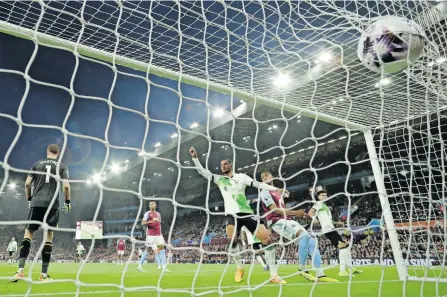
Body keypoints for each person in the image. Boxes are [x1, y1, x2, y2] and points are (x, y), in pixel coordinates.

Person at [189, 147, 286, 284]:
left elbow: (258, 184)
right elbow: (202, 172)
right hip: (231, 214)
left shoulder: (242, 177)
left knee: (267, 239)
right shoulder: (219, 179)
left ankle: (274, 275)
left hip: (247, 213)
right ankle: (240, 268)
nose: (223, 166)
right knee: (232, 240)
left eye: (225, 164)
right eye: (221, 165)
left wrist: (276, 189)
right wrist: (195, 158)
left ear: (231, 164)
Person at [260, 170, 338, 282]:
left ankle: (320, 274)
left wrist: (301, 215)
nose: (265, 177)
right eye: (263, 177)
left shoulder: (277, 192)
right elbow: (275, 210)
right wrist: (296, 213)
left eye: (267, 175)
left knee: (312, 241)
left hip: (287, 220)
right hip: (277, 221)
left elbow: (283, 208)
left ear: (272, 177)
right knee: (304, 236)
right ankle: (302, 269)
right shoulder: (265, 192)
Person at [11, 144, 71, 282]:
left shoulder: (37, 164)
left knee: (28, 235)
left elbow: (27, 184)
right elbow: (66, 186)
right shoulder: (62, 166)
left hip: (37, 203)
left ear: (47, 152)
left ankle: (20, 271)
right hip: (52, 205)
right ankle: (43, 275)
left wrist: (29, 198)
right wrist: (67, 202)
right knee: (48, 238)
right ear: (59, 152)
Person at [308, 186, 363, 276]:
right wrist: (314, 219)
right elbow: (310, 212)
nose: (325, 197)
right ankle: (342, 271)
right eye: (323, 195)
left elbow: (328, 220)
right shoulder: (319, 203)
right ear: (318, 197)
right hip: (328, 229)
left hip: (331, 228)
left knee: (346, 247)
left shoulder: (325, 206)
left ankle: (351, 268)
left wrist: (337, 223)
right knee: (343, 248)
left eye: (326, 195)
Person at [137, 201, 170, 272]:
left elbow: (159, 224)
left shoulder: (158, 214)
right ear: (149, 206)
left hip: (158, 235)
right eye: (151, 204)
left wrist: (161, 233)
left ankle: (164, 267)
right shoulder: (147, 214)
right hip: (150, 235)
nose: (152, 205)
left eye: (153, 203)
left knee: (162, 249)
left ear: (155, 205)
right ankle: (140, 266)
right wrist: (150, 221)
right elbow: (142, 223)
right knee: (148, 249)